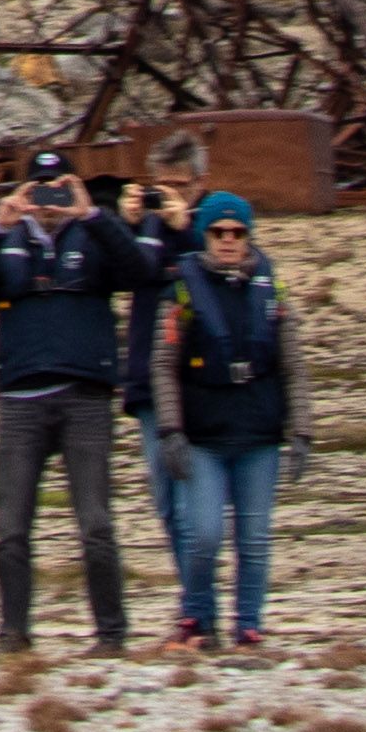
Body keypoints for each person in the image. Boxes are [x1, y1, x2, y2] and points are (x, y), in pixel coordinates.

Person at [0, 145, 168, 656]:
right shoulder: (10, 241)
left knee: (96, 523)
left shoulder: (93, 234)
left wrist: (93, 215)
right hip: (21, 397)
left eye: (59, 188)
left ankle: (111, 635)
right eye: (41, 189)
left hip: (85, 396)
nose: (49, 201)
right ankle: (14, 633)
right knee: (11, 527)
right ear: (25, 192)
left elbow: (138, 272)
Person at [141, 187, 297, 656]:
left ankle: (248, 627)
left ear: (249, 235)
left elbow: (295, 364)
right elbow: (163, 366)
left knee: (253, 539)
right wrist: (169, 430)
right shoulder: (182, 291)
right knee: (203, 533)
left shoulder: (273, 290)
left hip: (259, 434)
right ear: (204, 234)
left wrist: (302, 429)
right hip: (204, 435)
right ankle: (195, 618)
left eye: (237, 232)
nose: (228, 240)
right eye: (218, 232)